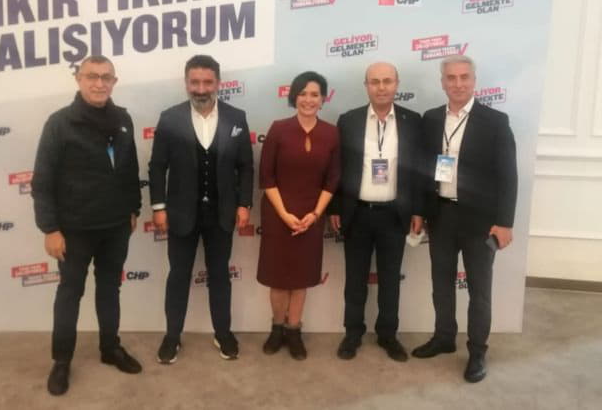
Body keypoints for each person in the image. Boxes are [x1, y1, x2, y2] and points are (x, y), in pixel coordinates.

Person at [31, 55, 142, 396]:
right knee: (70, 293)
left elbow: (129, 169)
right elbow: (42, 181)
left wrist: (133, 208)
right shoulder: (59, 124)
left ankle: (110, 348)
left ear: (114, 82)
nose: (99, 83)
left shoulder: (123, 120)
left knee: (110, 289)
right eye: (92, 76)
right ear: (79, 79)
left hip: (115, 227)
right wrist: (50, 229)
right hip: (74, 230)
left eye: (106, 77)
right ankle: (61, 361)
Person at [412, 55, 517, 383]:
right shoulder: (431, 118)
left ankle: (477, 351)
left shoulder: (495, 121)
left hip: (480, 221)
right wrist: (419, 211)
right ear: (442, 82)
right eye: (451, 78)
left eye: (464, 77)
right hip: (441, 215)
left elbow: (508, 176)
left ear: (474, 80)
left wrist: (505, 222)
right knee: (441, 283)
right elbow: (422, 169)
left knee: (479, 291)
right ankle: (444, 337)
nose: (458, 84)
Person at [149, 54, 254, 363]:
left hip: (222, 213)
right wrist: (158, 207)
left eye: (207, 82)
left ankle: (223, 333)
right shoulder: (170, 118)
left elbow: (246, 166)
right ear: (186, 83)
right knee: (178, 276)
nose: (201, 88)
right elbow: (157, 166)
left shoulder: (236, 117)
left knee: (220, 275)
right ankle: (172, 337)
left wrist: (244, 204)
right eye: (194, 82)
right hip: (181, 213)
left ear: (218, 83)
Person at [328, 62, 423, 361]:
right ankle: (352, 334)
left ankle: (388, 335)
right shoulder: (349, 120)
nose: (381, 87)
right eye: (375, 81)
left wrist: (418, 211)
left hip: (395, 215)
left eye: (387, 81)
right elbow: (337, 167)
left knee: (390, 280)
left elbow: (419, 172)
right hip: (357, 213)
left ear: (397, 84)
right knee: (355, 279)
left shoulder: (413, 121)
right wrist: (335, 207)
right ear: (366, 85)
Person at [257, 71, 340, 360]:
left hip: (311, 217)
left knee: (301, 278)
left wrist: (315, 215)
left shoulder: (331, 133)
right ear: (294, 96)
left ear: (323, 98)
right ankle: (277, 328)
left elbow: (333, 180)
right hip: (278, 214)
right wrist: (284, 214)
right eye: (303, 93)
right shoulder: (279, 129)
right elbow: (266, 177)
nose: (308, 99)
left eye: (314, 94)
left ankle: (294, 331)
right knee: (278, 279)